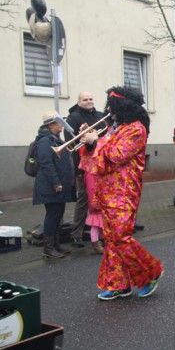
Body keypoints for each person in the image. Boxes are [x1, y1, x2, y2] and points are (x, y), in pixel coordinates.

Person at [80, 86, 164, 300]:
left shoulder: (136, 129)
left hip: (124, 190)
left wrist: (95, 142)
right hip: (107, 190)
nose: (110, 112)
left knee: (120, 236)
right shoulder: (113, 129)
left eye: (114, 108)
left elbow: (117, 155)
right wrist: (89, 144)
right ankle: (119, 283)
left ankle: (149, 273)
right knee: (111, 238)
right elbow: (97, 159)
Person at [64, 91, 106, 248]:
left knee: (100, 201)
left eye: (91, 99)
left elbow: (106, 137)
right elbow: (72, 144)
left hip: (101, 165)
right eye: (85, 99)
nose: (89, 102)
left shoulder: (99, 115)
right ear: (79, 101)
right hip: (84, 166)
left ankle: (100, 232)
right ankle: (77, 233)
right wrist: (78, 169)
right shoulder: (74, 117)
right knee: (83, 199)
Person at [33, 111, 74, 258]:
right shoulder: (45, 141)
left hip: (58, 184)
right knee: (52, 215)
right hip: (50, 185)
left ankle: (55, 244)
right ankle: (48, 248)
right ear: (50, 125)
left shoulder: (55, 139)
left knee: (58, 214)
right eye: (59, 123)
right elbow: (46, 164)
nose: (61, 126)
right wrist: (56, 182)